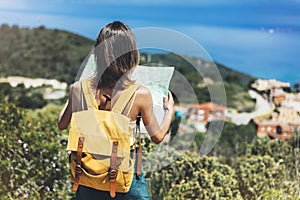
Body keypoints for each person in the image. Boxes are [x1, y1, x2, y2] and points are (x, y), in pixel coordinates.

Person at [57, 21, 174, 199]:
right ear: (131, 54)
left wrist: (73, 97)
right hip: (125, 181)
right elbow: (157, 137)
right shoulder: (140, 94)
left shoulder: (78, 89)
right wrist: (169, 112)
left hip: (88, 179)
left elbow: (61, 124)